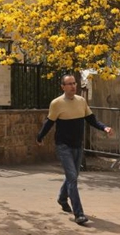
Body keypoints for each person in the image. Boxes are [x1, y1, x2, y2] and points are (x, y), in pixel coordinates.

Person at [37, 74, 113, 225]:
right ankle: (79, 214)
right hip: (63, 146)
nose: (73, 86)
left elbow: (91, 119)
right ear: (63, 87)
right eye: (69, 84)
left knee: (73, 176)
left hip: (78, 145)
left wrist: (104, 127)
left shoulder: (81, 101)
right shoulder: (57, 103)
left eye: (74, 83)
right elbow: (49, 122)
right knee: (72, 178)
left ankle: (61, 198)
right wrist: (40, 137)